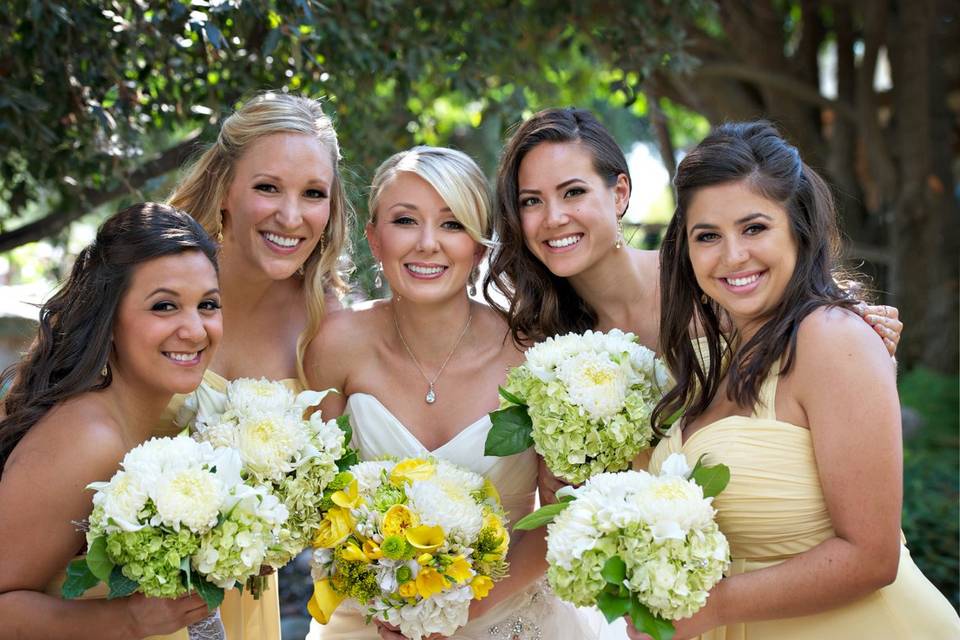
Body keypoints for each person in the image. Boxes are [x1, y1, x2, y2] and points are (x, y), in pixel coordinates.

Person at [635, 121, 960, 639]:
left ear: (799, 229)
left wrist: (706, 607)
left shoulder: (833, 338)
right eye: (708, 236)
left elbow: (872, 557)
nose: (733, 255)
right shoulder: (708, 359)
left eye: (755, 228)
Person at [303, 146, 602, 640]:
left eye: (452, 224)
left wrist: (449, 612)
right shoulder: (336, 345)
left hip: (509, 619)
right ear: (375, 239)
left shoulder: (532, 356)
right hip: (369, 622)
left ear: (480, 246)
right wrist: (386, 600)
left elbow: (557, 515)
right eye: (405, 221)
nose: (427, 244)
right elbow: (316, 503)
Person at [158, 91, 352, 640]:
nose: (291, 216)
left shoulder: (326, 327)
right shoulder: (151, 280)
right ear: (225, 191)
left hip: (236, 610)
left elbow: (328, 496)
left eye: (313, 194)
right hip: (102, 591)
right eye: (268, 187)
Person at [484, 107, 902, 355]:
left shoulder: (713, 280)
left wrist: (859, 330)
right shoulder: (541, 329)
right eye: (530, 201)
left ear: (619, 193)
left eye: (573, 192)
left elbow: (806, 328)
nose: (553, 217)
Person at [0, 203, 223, 639]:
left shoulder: (181, 418)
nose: (195, 330)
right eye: (164, 306)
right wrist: (128, 620)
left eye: (208, 304)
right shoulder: (87, 439)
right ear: (110, 318)